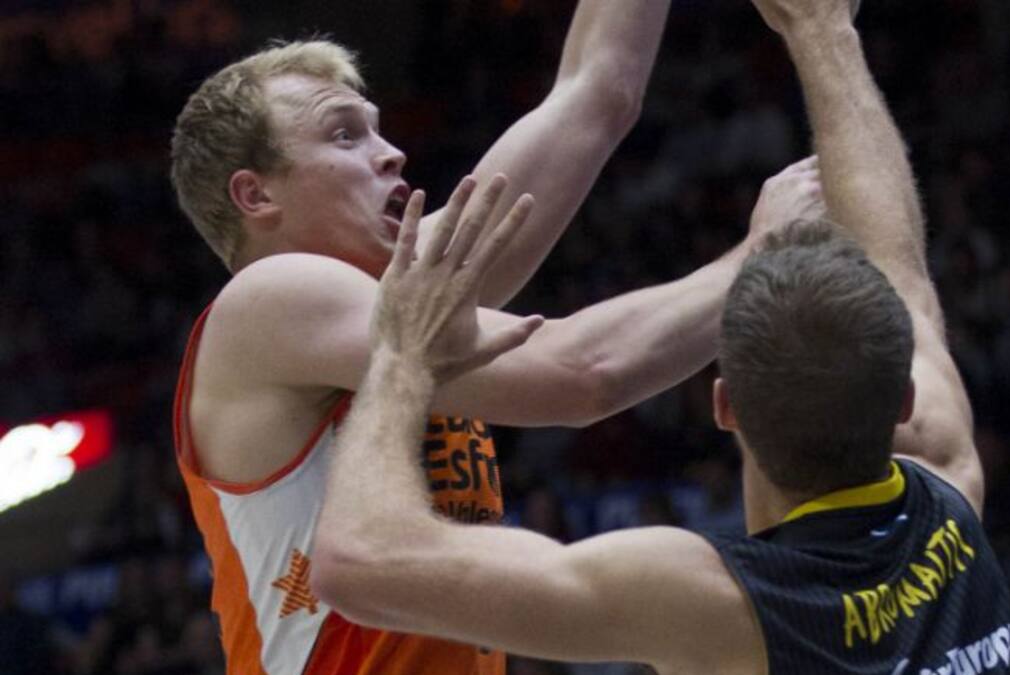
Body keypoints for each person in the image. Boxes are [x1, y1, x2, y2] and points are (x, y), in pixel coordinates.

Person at [311, 1, 1010, 674]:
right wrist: (823, 30)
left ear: (724, 407)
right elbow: (899, 262)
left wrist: (402, 352)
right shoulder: (949, 489)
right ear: (902, 400)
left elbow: (359, 560)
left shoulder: (711, 600)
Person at [169, 2, 826, 673]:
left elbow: (596, 93)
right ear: (255, 197)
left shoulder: (403, 302)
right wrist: (762, 251)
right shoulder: (271, 297)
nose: (391, 153)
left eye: (377, 131)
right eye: (343, 137)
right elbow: (583, 372)